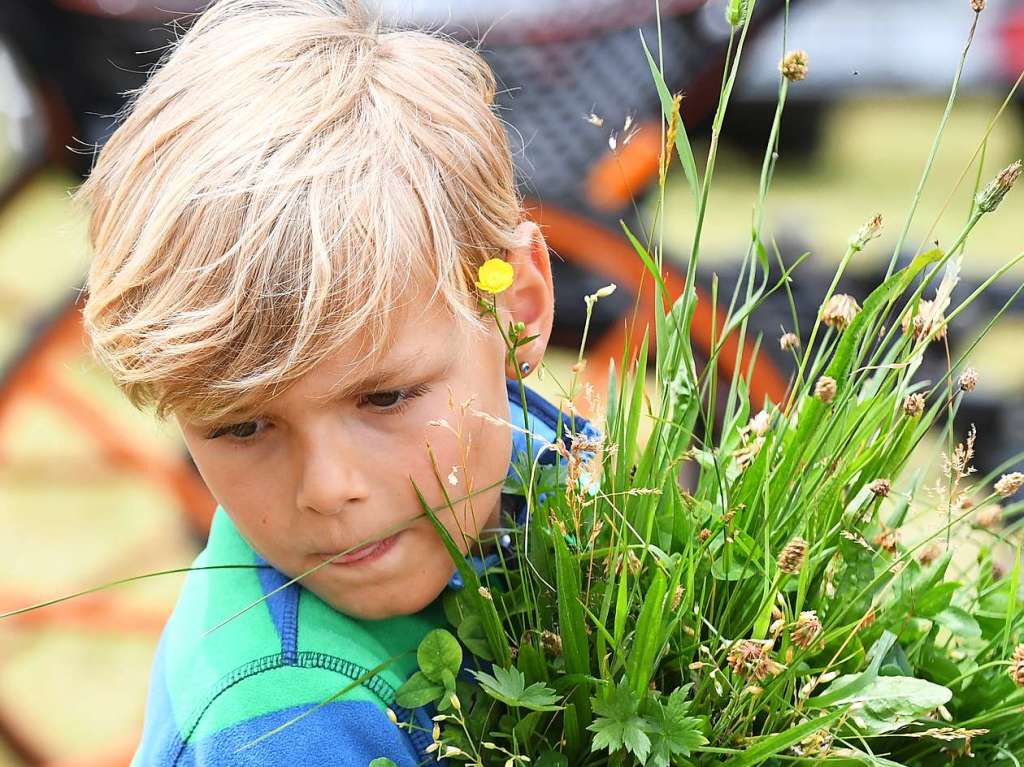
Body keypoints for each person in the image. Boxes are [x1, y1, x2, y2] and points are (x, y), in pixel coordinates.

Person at [70, 0, 600, 763]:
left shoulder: (556, 469)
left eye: (384, 397)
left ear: (516, 307)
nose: (327, 487)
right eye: (240, 426)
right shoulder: (283, 724)